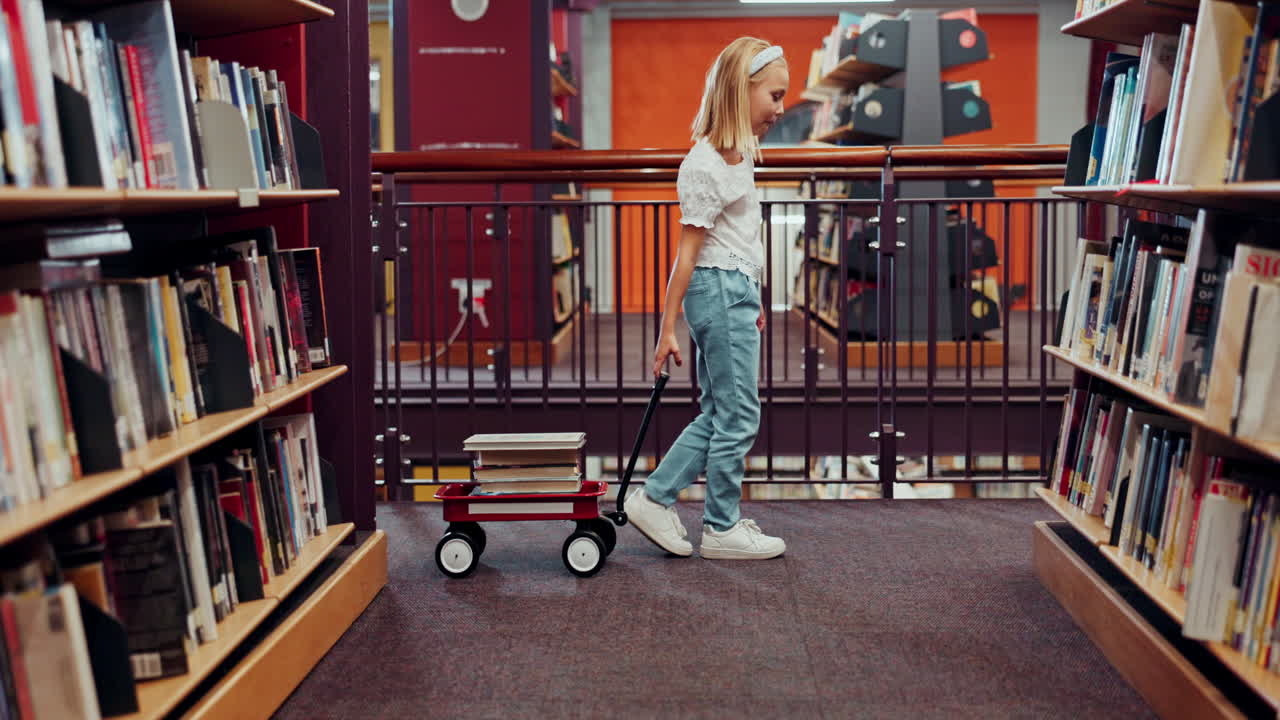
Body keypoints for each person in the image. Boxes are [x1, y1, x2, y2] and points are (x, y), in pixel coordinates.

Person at [624, 37, 788, 561]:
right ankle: (720, 527)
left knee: (720, 411)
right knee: (739, 416)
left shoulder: (740, 152)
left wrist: (754, 296)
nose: (781, 109)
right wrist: (666, 328)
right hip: (718, 290)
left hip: (733, 290)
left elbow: (739, 238)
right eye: (775, 96)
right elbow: (688, 254)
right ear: (741, 91)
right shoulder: (706, 165)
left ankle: (654, 498)